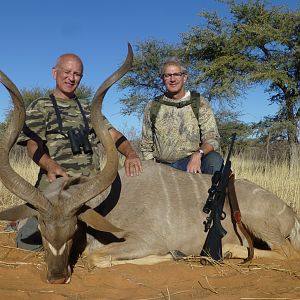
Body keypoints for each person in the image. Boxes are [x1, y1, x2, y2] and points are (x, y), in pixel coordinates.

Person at [15, 53, 142, 250]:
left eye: (77, 74)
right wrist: (49, 165)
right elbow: (33, 146)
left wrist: (131, 153)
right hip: (56, 189)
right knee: (27, 244)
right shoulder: (40, 106)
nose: (71, 78)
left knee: (115, 234)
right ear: (54, 73)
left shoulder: (88, 108)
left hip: (89, 190)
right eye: (66, 72)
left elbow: (114, 135)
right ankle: (24, 222)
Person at [140, 57, 223, 175]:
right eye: (167, 75)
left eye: (176, 74)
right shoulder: (152, 106)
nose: (172, 79)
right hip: (162, 166)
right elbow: (146, 144)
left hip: (191, 163)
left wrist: (198, 154)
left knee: (214, 160)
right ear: (162, 79)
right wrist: (151, 166)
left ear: (184, 77)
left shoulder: (200, 102)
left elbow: (212, 138)